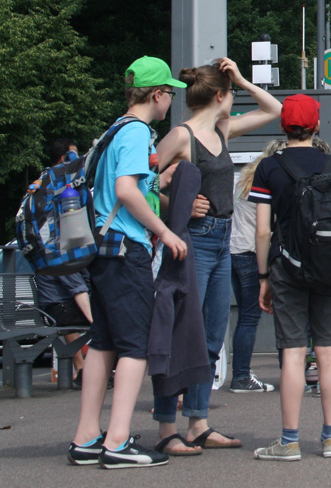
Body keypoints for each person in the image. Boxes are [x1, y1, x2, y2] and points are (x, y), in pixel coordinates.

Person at [152, 57, 281, 454]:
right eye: (232, 92)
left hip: (221, 239)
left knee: (210, 335)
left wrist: (240, 77)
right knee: (180, 335)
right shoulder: (181, 135)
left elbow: (275, 110)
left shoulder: (222, 130)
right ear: (221, 97)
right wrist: (176, 202)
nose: (235, 98)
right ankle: (165, 428)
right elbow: (140, 182)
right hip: (192, 241)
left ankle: (198, 422)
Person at [69, 56, 188, 469]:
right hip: (126, 250)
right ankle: (118, 442)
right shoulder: (138, 132)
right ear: (157, 95)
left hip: (100, 252)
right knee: (135, 346)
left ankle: (87, 436)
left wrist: (159, 182)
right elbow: (127, 190)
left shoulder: (113, 131)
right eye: (169, 94)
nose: (171, 101)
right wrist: (167, 231)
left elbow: (117, 187)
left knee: (102, 341)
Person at [251, 94, 331, 461]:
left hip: (286, 265)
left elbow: (263, 231)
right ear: (316, 126)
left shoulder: (269, 168)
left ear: (283, 127)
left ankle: (289, 441)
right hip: (328, 267)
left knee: (292, 353)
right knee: (327, 351)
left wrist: (264, 276)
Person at [228, 139, 287, 393]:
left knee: (245, 316)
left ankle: (241, 373)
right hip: (253, 253)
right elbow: (269, 226)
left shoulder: (244, 179)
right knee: (256, 317)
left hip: (233, 251)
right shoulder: (270, 181)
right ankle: (242, 376)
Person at [39, 138, 92, 388]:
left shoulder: (44, 199)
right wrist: (96, 320)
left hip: (54, 302)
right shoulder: (59, 234)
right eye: (73, 157)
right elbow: (76, 287)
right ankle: (88, 370)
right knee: (101, 314)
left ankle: (84, 369)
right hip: (56, 305)